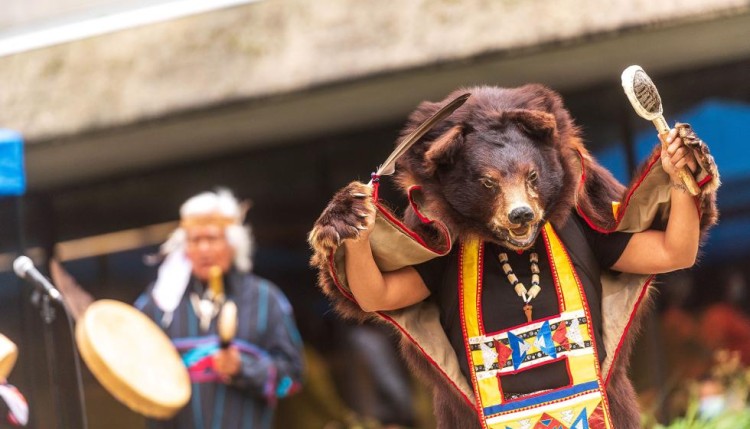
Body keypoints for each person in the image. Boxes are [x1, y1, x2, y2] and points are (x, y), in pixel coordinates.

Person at [309, 86, 720, 428]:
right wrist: (357, 236)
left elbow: (674, 251)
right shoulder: (443, 247)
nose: (520, 205)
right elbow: (375, 295)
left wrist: (683, 181)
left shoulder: (579, 225)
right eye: (490, 185)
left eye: (532, 180)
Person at [136, 188, 303, 428]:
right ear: (186, 248)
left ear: (233, 244)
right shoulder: (157, 303)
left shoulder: (266, 300)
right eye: (195, 240)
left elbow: (293, 377)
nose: (204, 249)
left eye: (213, 238)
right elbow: (131, 364)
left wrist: (242, 368)